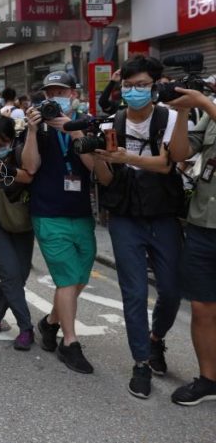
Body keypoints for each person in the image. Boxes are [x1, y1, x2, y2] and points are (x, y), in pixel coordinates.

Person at [91, 56, 183, 398]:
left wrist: (128, 158)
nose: (134, 91)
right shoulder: (110, 124)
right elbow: (106, 180)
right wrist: (99, 158)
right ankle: (141, 362)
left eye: (142, 85)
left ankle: (156, 339)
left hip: (163, 215)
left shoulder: (170, 118)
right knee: (134, 292)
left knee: (172, 291)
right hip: (125, 217)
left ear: (155, 85)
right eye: (128, 86)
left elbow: (169, 162)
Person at [22, 70, 97, 374]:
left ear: (73, 95)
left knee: (80, 277)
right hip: (48, 212)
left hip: (80, 212)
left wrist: (74, 131)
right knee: (66, 278)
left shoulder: (86, 122)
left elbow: (95, 167)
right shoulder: (37, 128)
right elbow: (28, 167)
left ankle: (50, 322)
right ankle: (70, 342)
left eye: (61, 92)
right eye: (49, 93)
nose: (55, 98)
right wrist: (29, 131)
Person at [166, 87, 216, 406]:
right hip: (203, 224)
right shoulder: (209, 112)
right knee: (201, 307)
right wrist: (184, 112)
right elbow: (180, 153)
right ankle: (209, 380)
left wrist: (204, 104)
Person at [0, 115, 36, 350]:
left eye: (0, 145)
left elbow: (29, 176)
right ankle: (26, 327)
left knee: (20, 273)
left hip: (21, 216)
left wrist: (0, 170)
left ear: (11, 140)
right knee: (10, 273)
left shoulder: (23, 151)